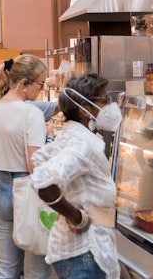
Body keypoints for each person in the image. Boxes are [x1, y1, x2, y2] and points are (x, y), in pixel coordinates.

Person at [31, 74, 120, 279]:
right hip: (84, 251)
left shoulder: (76, 133)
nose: (109, 107)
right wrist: (76, 217)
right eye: (103, 101)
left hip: (83, 247)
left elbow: (39, 160)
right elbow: (43, 180)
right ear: (84, 109)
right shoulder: (82, 142)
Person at [0, 55, 51, 279]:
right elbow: (34, 165)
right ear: (24, 83)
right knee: (35, 270)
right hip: (29, 191)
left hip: (3, 189)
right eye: (41, 84)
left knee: (7, 269)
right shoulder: (32, 114)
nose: (41, 90)